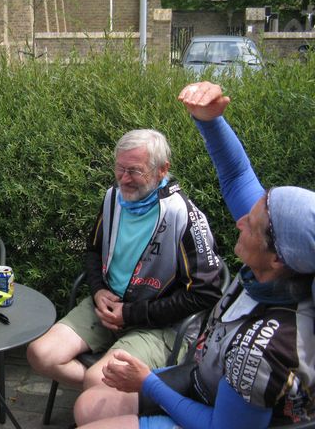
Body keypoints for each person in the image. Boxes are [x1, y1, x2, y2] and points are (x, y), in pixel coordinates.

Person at [73, 81, 315, 429]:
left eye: (252, 222)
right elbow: (235, 175)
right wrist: (209, 120)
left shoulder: (267, 347)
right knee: (88, 406)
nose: (240, 220)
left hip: (215, 416)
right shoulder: (283, 260)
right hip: (203, 379)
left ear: (277, 257)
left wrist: (149, 382)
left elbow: (220, 426)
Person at [27, 129, 223, 392]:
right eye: (119, 169)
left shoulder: (183, 215)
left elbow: (206, 293)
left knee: (100, 380)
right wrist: (98, 291)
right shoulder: (113, 198)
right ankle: (115, 397)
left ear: (162, 170)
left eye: (135, 171)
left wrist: (131, 314)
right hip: (108, 308)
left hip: (160, 325)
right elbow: (93, 251)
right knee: (40, 354)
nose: (124, 179)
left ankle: (107, 397)